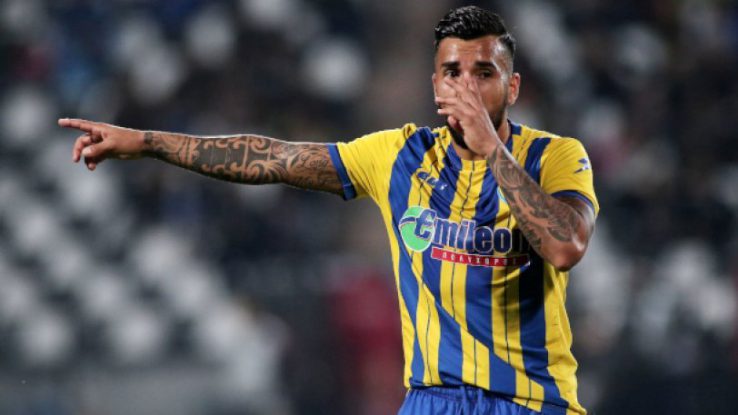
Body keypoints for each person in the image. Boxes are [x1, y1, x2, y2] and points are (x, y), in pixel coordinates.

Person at [59, 6, 597, 415]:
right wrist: (148, 142)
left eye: (484, 73)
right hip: (433, 401)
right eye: (452, 72)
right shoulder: (398, 156)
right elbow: (273, 158)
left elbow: (565, 245)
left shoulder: (555, 157)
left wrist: (491, 149)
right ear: (436, 84)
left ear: (513, 85)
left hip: (531, 402)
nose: (467, 88)